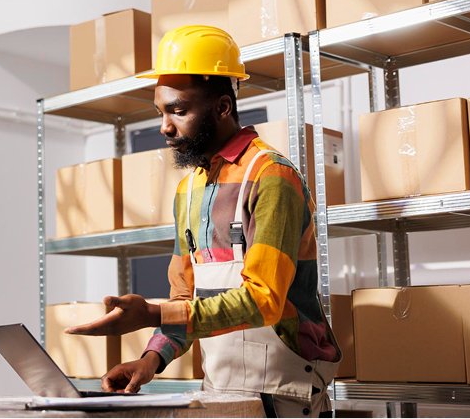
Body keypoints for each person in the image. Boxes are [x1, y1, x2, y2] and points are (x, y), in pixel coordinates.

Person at [66, 25, 341, 418]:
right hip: (220, 389)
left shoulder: (271, 177)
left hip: (285, 393)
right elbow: (185, 299)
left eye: (178, 111)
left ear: (223, 107)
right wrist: (150, 360)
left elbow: (264, 299)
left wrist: (152, 314)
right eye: (161, 112)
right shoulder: (189, 190)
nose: (165, 126)